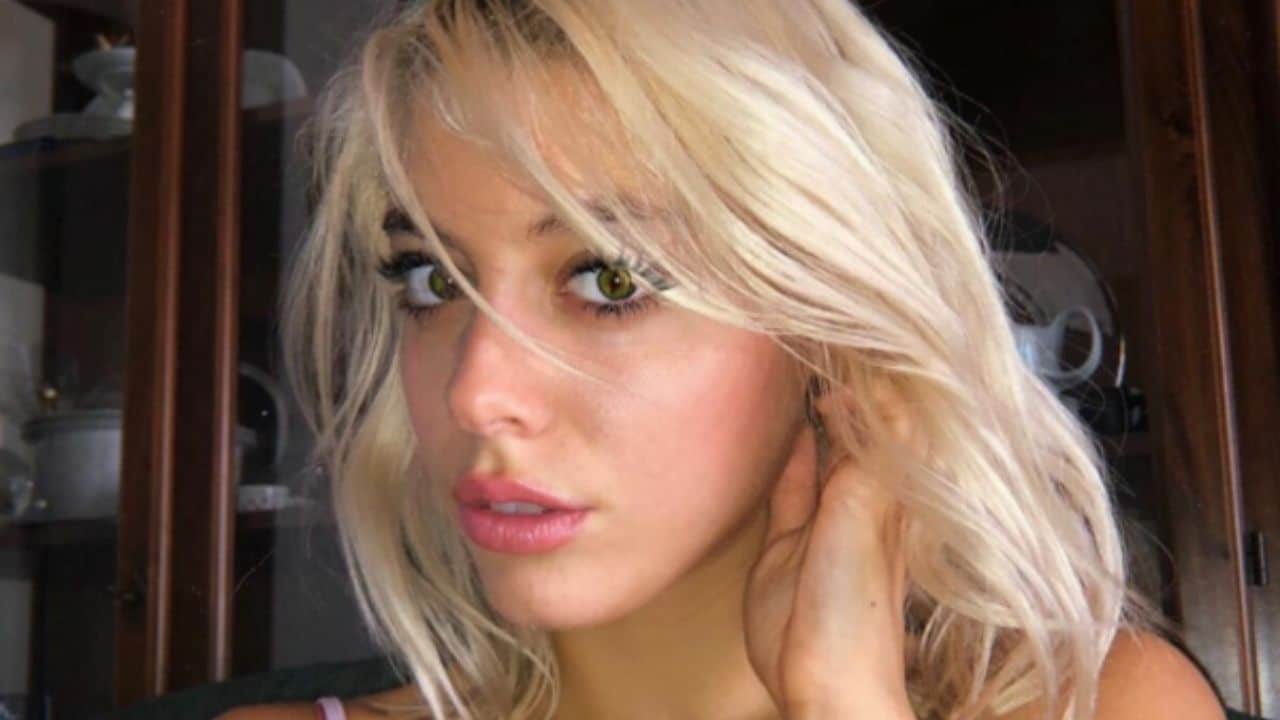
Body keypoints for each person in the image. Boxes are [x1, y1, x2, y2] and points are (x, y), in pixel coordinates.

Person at [221, 0, 1227, 718]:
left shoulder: (1107, 705)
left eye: (609, 279)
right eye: (433, 281)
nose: (476, 392)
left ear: (828, 324)